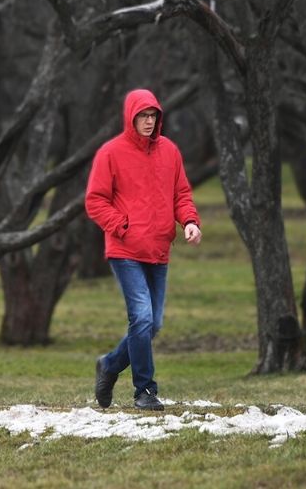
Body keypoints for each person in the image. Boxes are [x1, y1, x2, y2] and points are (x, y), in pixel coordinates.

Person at [85, 88, 202, 411]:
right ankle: (145, 391)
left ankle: (109, 366)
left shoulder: (170, 151)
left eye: (153, 116)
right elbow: (95, 200)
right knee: (141, 317)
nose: (149, 122)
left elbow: (182, 194)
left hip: (159, 250)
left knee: (153, 324)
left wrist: (189, 221)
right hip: (125, 250)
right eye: (143, 116)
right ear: (131, 117)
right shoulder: (111, 153)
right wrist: (123, 226)